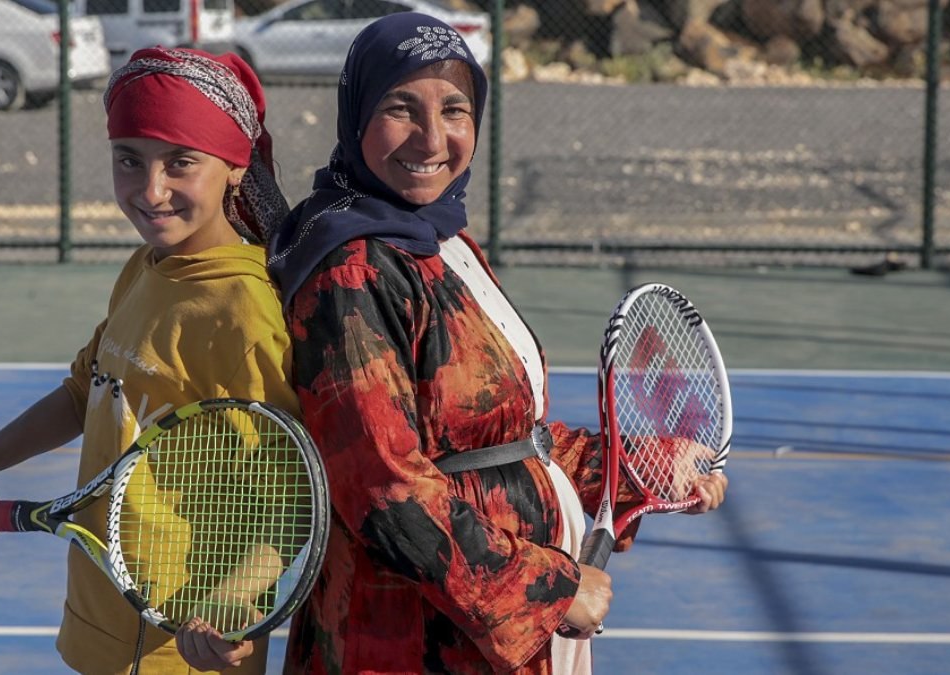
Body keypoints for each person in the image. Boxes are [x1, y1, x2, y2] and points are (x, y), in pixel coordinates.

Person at [266, 13, 728, 674]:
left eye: (455, 109)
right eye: (401, 107)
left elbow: (506, 439)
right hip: (400, 639)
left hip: (484, 639)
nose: (432, 137)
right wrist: (546, 588)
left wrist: (637, 468)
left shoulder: (441, 240)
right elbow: (383, 488)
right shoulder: (351, 272)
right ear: (357, 113)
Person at [0, 47, 297, 675]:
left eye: (180, 162)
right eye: (129, 160)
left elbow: (293, 498)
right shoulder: (146, 269)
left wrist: (230, 605)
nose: (151, 190)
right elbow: (81, 392)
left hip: (181, 651)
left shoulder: (244, 310)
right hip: (101, 626)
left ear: (234, 167)